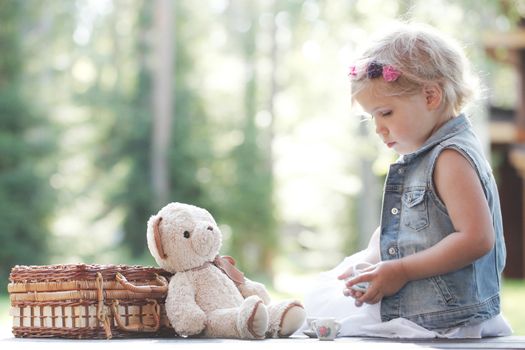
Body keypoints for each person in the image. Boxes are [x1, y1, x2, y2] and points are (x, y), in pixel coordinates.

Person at [301, 23, 512, 338]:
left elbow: (477, 239)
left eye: (385, 113)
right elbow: (401, 227)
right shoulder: (426, 155)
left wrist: (399, 270)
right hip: (427, 301)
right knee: (326, 287)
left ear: (430, 95)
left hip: (443, 313)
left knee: (320, 306)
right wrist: (373, 261)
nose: (378, 128)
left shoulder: (451, 158)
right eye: (372, 117)